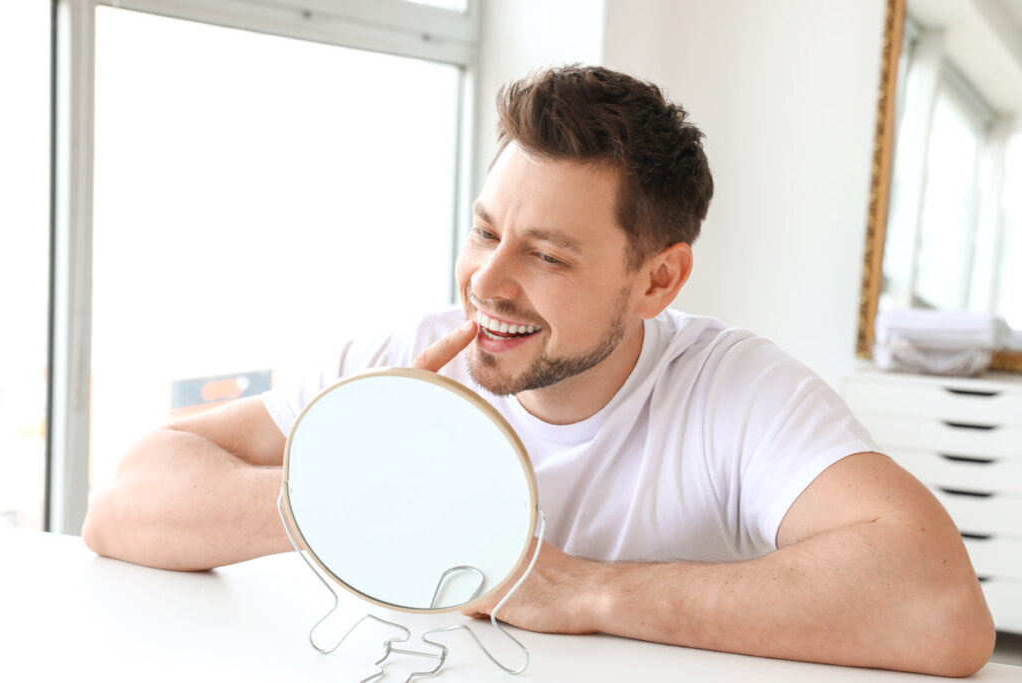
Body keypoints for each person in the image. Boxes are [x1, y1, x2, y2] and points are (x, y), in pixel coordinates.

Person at [82, 65, 994, 676]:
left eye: (548, 256)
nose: (488, 279)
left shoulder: (738, 392)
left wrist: (588, 589)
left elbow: (939, 608)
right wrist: (347, 486)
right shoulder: (399, 358)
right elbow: (125, 505)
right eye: (485, 230)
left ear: (658, 278)